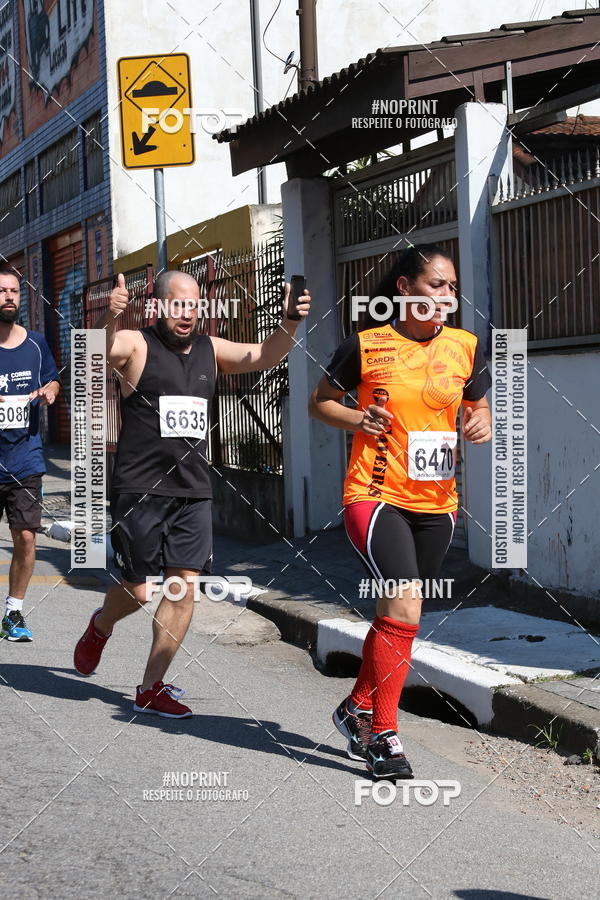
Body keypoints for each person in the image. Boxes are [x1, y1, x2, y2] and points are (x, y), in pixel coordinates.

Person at [74, 270, 310, 718]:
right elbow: (93, 353)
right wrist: (109, 316)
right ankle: (101, 625)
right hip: (139, 489)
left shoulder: (210, 349)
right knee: (140, 590)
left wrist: (290, 322)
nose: (187, 314)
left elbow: (264, 354)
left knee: (183, 589)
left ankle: (150, 687)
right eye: (178, 304)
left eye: (194, 305)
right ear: (158, 306)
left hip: (194, 490)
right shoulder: (136, 344)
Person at [309, 244, 492, 778]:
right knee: (405, 605)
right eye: (436, 285)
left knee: (398, 614)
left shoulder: (465, 346)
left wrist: (482, 420)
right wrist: (358, 419)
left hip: (438, 504)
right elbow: (320, 402)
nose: (446, 296)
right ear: (405, 289)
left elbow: (478, 404)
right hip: (375, 496)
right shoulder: (366, 346)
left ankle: (355, 707)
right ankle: (382, 734)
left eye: (452, 287)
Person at [0, 267, 60, 642]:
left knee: (25, 536)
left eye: (14, 291)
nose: (9, 297)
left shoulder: (36, 344)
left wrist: (51, 390)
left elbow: (52, 379)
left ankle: (13, 612)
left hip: (25, 458)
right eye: (2, 291)